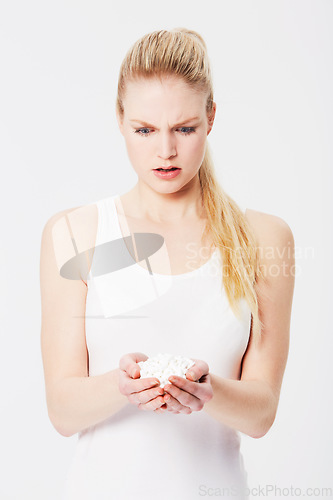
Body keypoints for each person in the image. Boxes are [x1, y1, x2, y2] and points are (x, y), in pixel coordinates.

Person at [40, 28, 295, 500]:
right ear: (120, 121)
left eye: (184, 128)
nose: (165, 152)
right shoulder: (74, 233)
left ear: (211, 118)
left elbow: (262, 413)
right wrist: (121, 387)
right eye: (144, 130)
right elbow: (61, 409)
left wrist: (208, 390)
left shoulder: (263, 238)